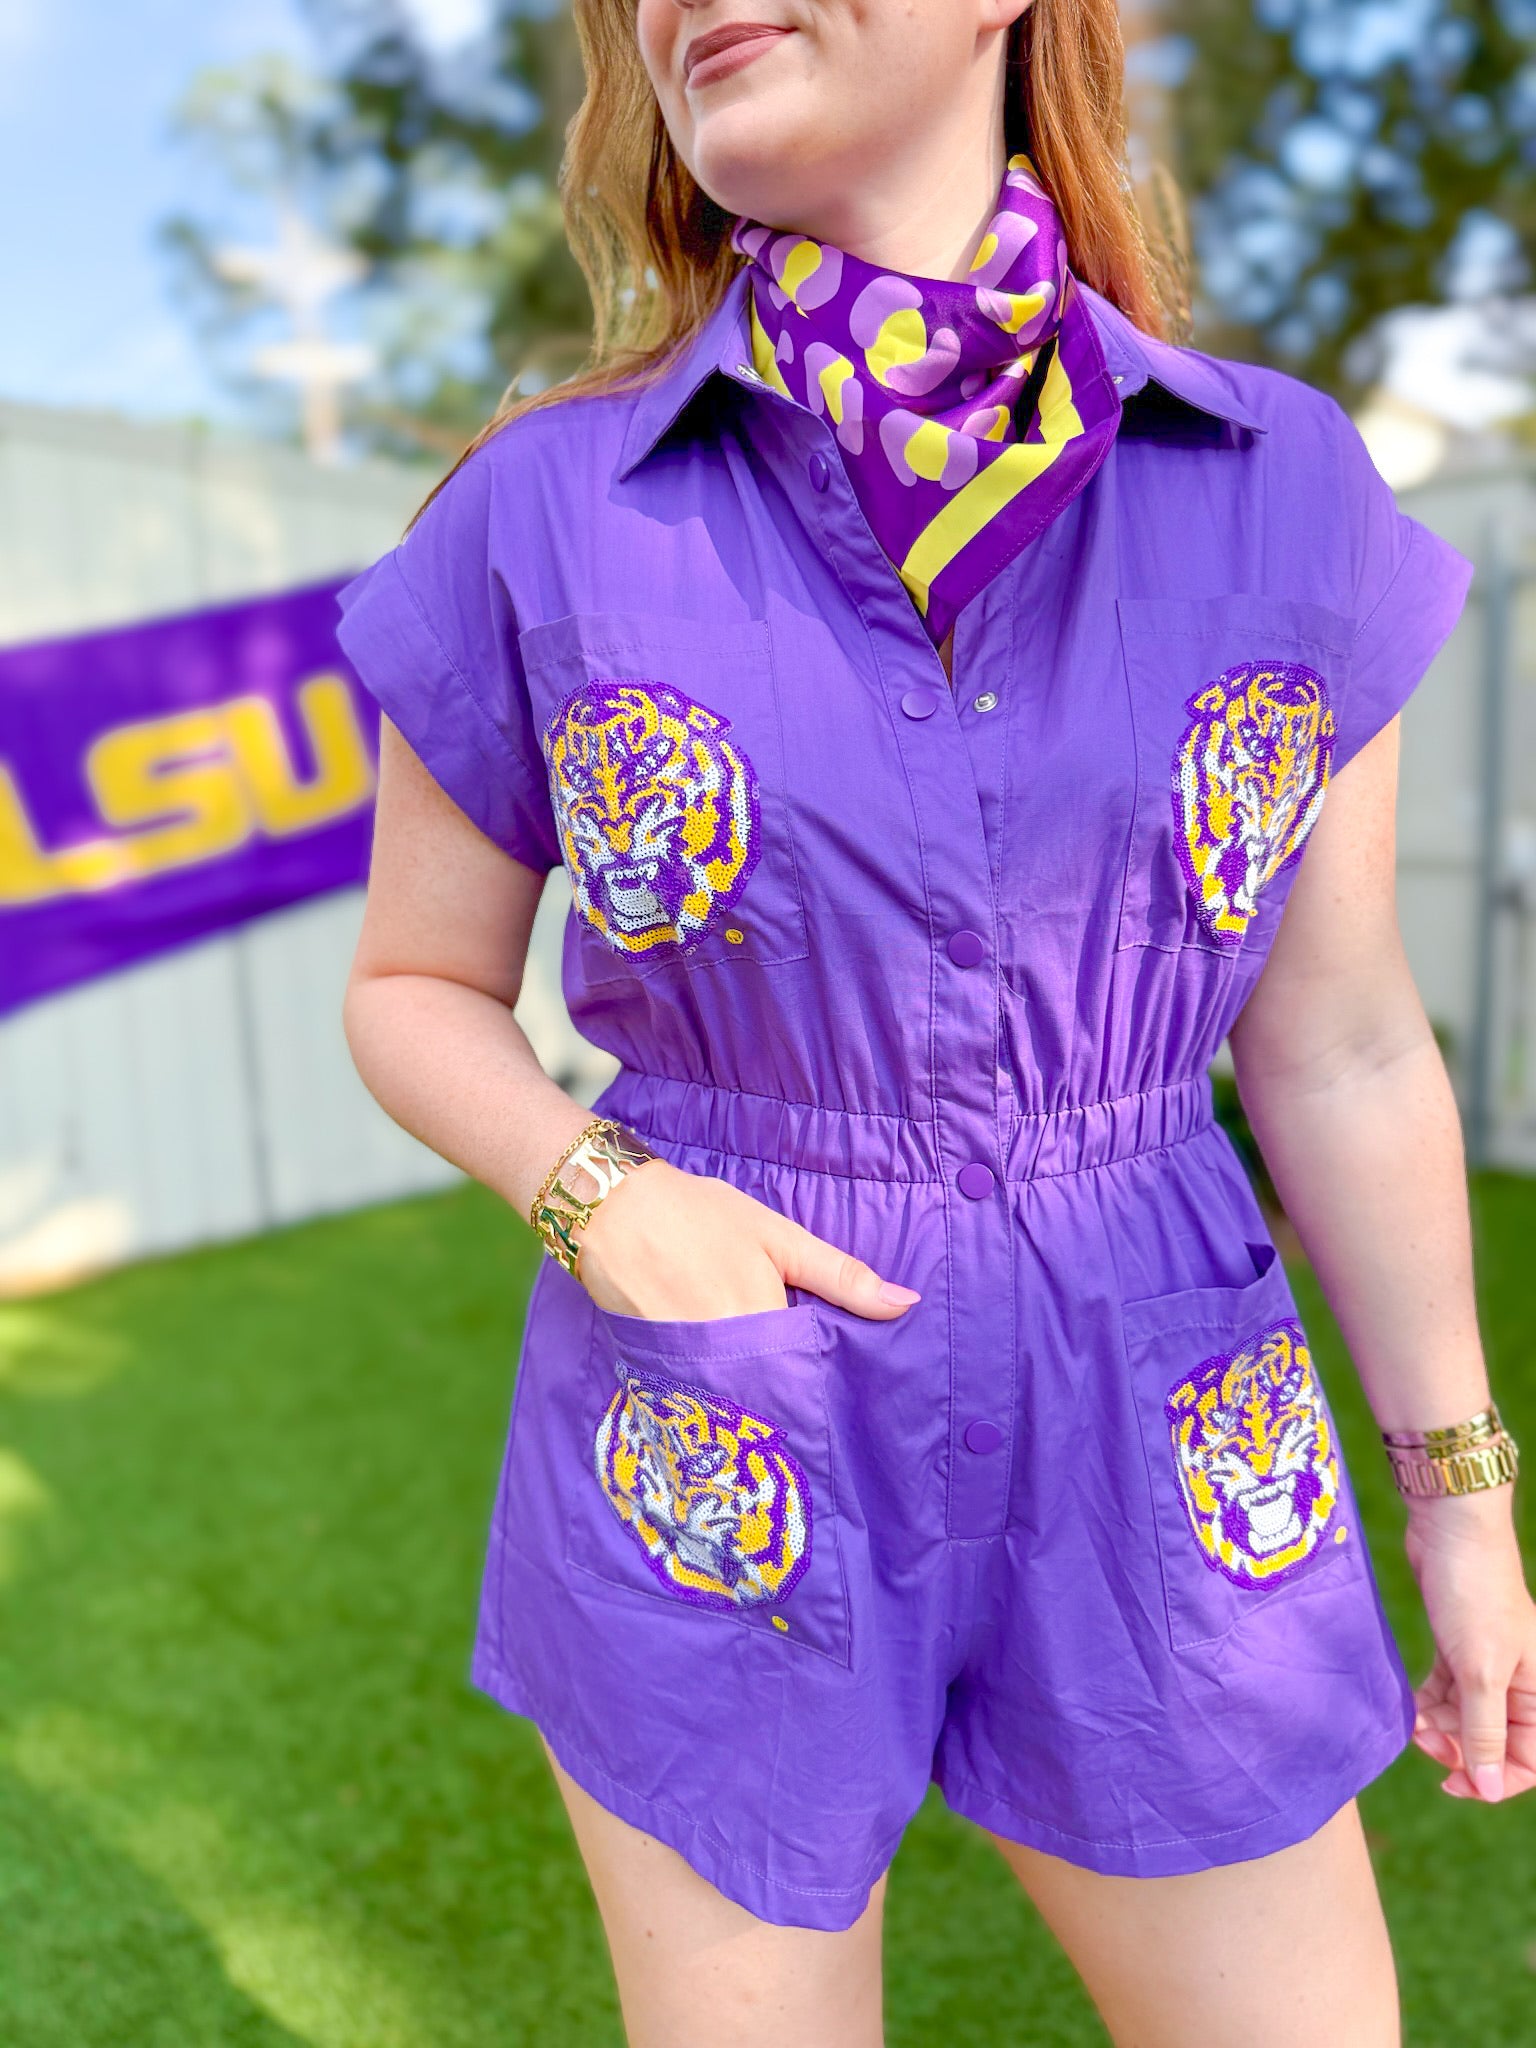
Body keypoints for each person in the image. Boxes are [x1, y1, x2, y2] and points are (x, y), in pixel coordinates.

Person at [334, 2, 1536, 2042]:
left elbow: (1337, 1042)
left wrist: (1462, 1492)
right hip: (728, 1409)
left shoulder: (1282, 488)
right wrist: (606, 1198)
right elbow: (410, 987)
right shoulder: (543, 511)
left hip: (1169, 1410)